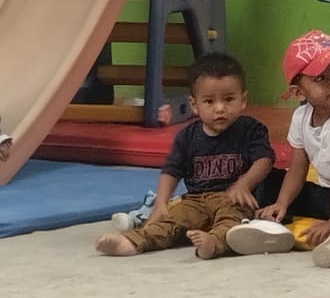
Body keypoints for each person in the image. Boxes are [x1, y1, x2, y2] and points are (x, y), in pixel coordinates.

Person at [225, 31, 330, 267]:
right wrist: (282, 203)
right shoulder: (301, 117)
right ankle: (267, 227)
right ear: (298, 92)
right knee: (269, 179)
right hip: (329, 193)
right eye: (321, 78)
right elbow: (297, 167)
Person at [94, 54, 274, 260]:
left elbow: (264, 160)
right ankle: (132, 242)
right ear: (194, 105)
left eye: (229, 99)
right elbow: (171, 171)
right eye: (209, 101)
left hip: (233, 199)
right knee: (172, 219)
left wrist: (244, 184)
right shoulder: (187, 137)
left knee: (234, 222)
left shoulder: (251, 129)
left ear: (243, 100)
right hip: (195, 200)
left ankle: (214, 243)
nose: (220, 108)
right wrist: (161, 203)